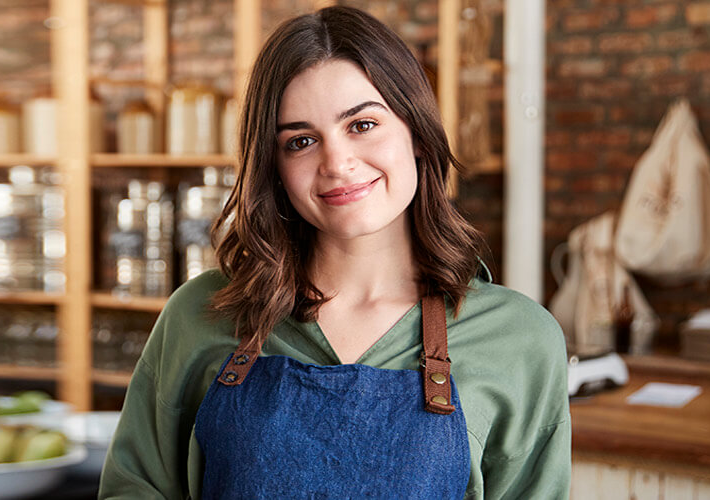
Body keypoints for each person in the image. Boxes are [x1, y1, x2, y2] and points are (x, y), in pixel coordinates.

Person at [98, 6, 569, 499]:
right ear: (273, 166)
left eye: (362, 124)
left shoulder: (519, 340)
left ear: (418, 134)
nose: (337, 163)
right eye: (300, 141)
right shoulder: (199, 315)